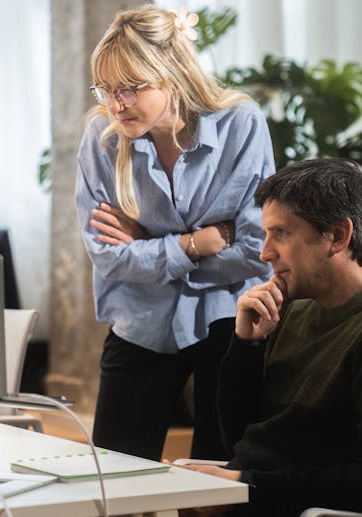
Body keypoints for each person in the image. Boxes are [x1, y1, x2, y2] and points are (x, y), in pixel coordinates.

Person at [179, 158, 362, 517]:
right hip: (248, 515)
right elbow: (241, 440)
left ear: (337, 236)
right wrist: (246, 347)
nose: (264, 253)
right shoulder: (295, 311)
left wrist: (244, 487)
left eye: (281, 234)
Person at [75, 5, 274, 462]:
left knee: (217, 478)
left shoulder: (241, 125)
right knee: (113, 478)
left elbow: (253, 248)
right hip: (140, 323)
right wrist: (196, 242)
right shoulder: (102, 137)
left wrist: (149, 245)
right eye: (105, 89)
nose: (114, 104)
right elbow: (109, 258)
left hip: (227, 321)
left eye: (129, 88)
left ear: (172, 74)